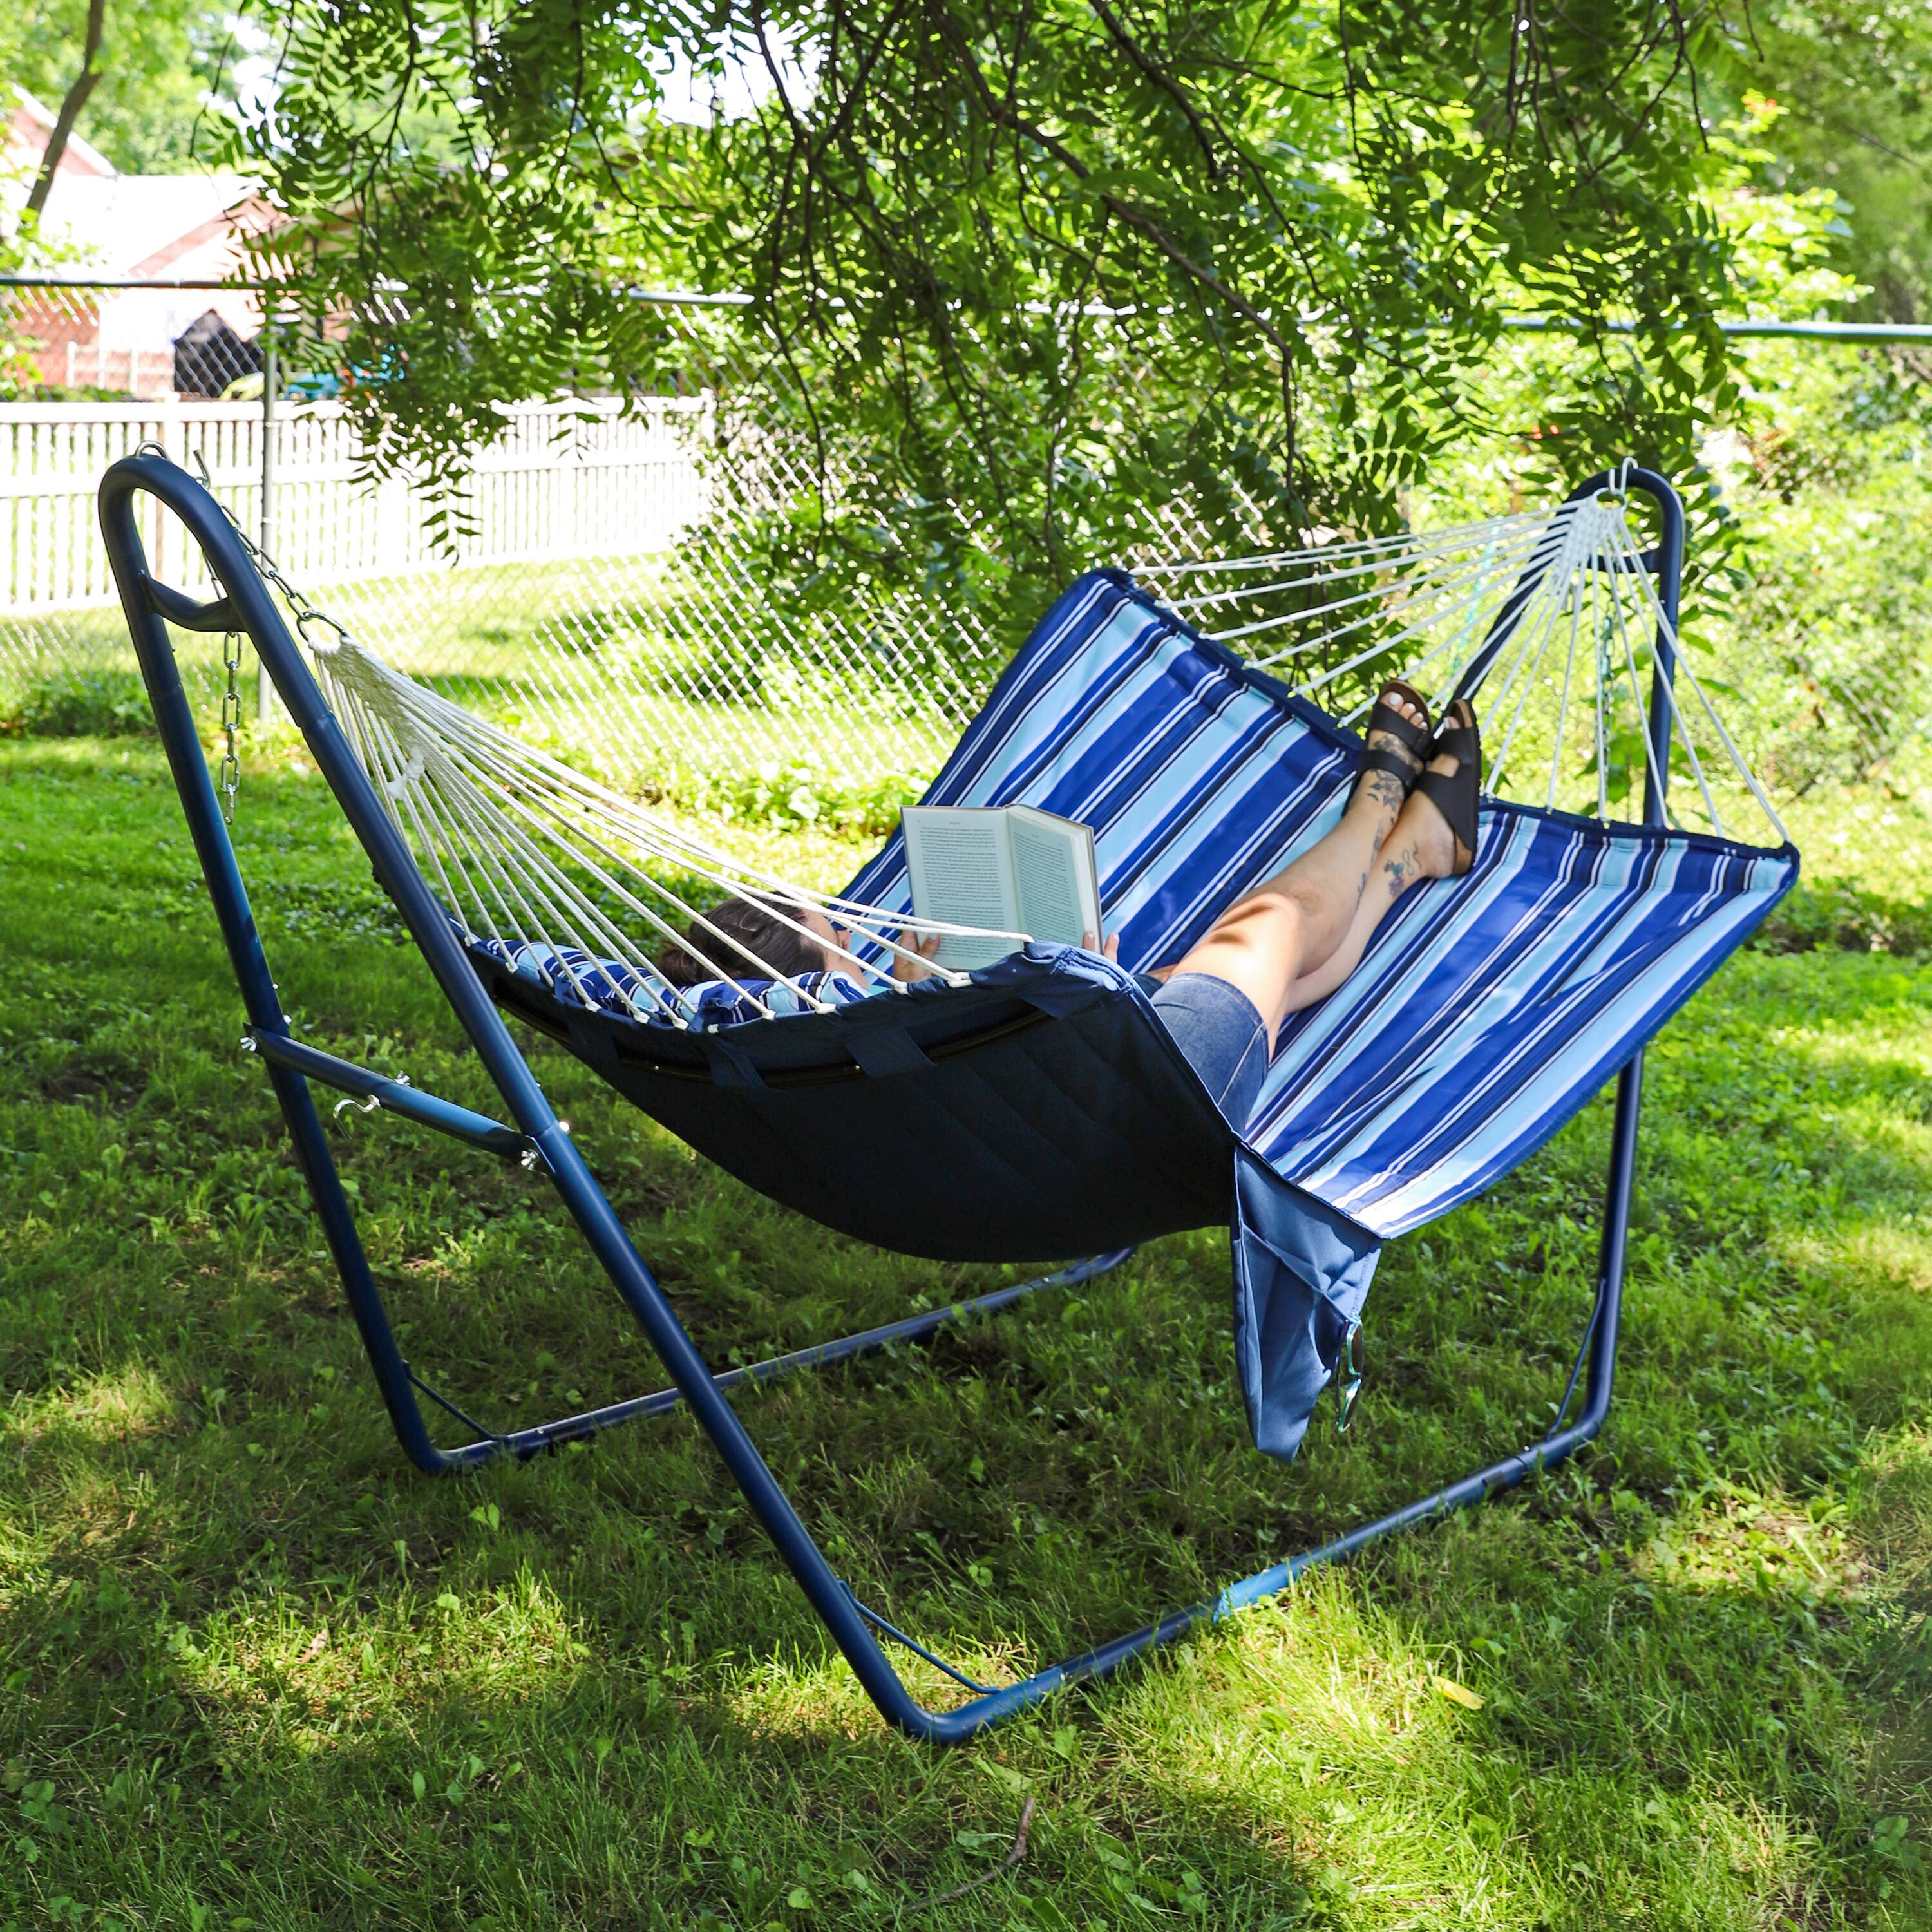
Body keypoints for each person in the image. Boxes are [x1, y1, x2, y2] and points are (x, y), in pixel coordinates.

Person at [657, 681, 1480, 1130]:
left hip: (1077, 1113)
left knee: (1278, 976)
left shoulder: (806, 1079)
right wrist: (1085, 988)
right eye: (836, 934)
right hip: (1147, 1107)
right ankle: (1374, 806)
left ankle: (1417, 849)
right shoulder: (854, 1034)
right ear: (806, 986)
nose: (851, 933)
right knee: (1276, 923)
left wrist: (919, 1000)